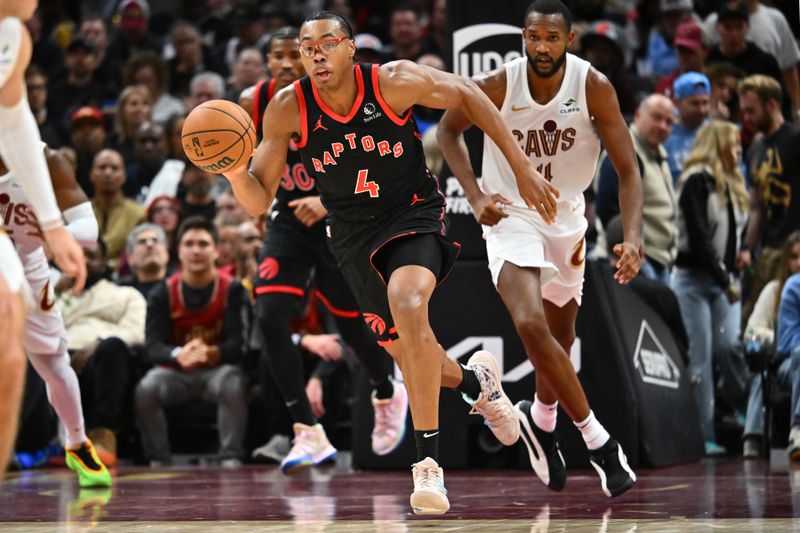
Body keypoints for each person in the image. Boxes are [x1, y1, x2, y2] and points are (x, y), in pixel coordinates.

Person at [222, 10, 532, 515]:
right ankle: (478, 384)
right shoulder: (286, 108)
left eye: (327, 43)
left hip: (411, 212)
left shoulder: (393, 81)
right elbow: (259, 201)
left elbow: (472, 94)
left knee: (408, 302)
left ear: (349, 48)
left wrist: (520, 170)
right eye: (307, 47)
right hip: (350, 234)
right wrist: (236, 171)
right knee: (408, 353)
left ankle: (427, 467)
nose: (317, 54)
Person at [438, 0, 641, 498]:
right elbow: (447, 130)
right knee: (529, 324)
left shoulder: (593, 85)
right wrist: (477, 193)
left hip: (567, 217)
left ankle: (542, 420)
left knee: (561, 337)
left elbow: (630, 169)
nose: (541, 47)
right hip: (511, 216)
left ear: (569, 40)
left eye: (552, 38)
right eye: (533, 37)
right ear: (523, 38)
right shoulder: (500, 82)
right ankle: (598, 442)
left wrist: (633, 237)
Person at [243, 27, 409, 474]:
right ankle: (305, 430)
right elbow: (252, 175)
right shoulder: (252, 104)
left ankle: (385, 388)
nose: (282, 66)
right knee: (269, 314)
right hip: (289, 220)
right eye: (274, 57)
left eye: (289, 58)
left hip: (343, 216)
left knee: (354, 328)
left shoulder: (337, 94)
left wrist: (327, 198)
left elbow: (375, 157)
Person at [0, 0, 87, 478]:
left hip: (23, 251)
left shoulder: (12, 34)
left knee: (12, 345)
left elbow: (12, 122)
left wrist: (53, 225)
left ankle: (76, 439)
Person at [0, 143, 111, 487]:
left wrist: (53, 238)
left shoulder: (45, 158)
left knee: (52, 362)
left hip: (29, 269)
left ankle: (77, 442)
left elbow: (88, 230)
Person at [135, 217, 248, 466]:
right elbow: (153, 347)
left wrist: (209, 353)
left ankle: (230, 455)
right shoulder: (162, 293)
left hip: (217, 372)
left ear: (216, 250)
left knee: (233, 382)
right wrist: (178, 354)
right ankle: (158, 458)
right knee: (146, 389)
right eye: (189, 244)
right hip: (176, 374)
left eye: (203, 244)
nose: (196, 250)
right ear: (179, 251)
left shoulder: (233, 290)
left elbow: (239, 344)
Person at [671, 120, 750, 456]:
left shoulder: (733, 183)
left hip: (724, 281)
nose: (738, 152)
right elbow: (701, 239)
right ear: (717, 145)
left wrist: (741, 253)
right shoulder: (696, 180)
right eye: (733, 146)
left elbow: (733, 231)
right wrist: (725, 277)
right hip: (694, 279)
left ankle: (748, 411)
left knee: (730, 345)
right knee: (700, 360)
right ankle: (703, 435)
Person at [58, 239, 145, 468]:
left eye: (91, 255)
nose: (84, 260)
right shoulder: (58, 297)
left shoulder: (127, 294)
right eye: (79, 255)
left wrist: (97, 343)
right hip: (58, 360)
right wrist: (54, 293)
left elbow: (136, 333)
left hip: (99, 362)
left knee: (113, 346)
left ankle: (103, 438)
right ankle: (31, 442)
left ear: (104, 261)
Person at [596, 94, 678, 285]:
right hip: (633, 261)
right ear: (639, 114)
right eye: (657, 118)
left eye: (669, 122)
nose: (663, 126)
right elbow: (608, 209)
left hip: (659, 260)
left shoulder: (658, 154)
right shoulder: (625, 152)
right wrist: (631, 252)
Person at [740, 75, 800, 322]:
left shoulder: (796, 140)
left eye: (752, 110)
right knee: (755, 319)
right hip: (769, 248)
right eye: (743, 111)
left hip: (795, 246)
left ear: (772, 105)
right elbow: (756, 208)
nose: (746, 118)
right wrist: (746, 247)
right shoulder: (755, 150)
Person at [742, 231, 800, 458]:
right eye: (794, 257)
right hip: (778, 359)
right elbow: (752, 333)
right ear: (785, 260)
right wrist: (774, 343)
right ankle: (752, 439)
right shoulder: (773, 291)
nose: (799, 263)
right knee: (762, 372)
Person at [664, 71, 711, 185]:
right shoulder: (664, 133)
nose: (701, 110)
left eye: (705, 103)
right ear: (676, 102)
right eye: (694, 103)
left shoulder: (714, 133)